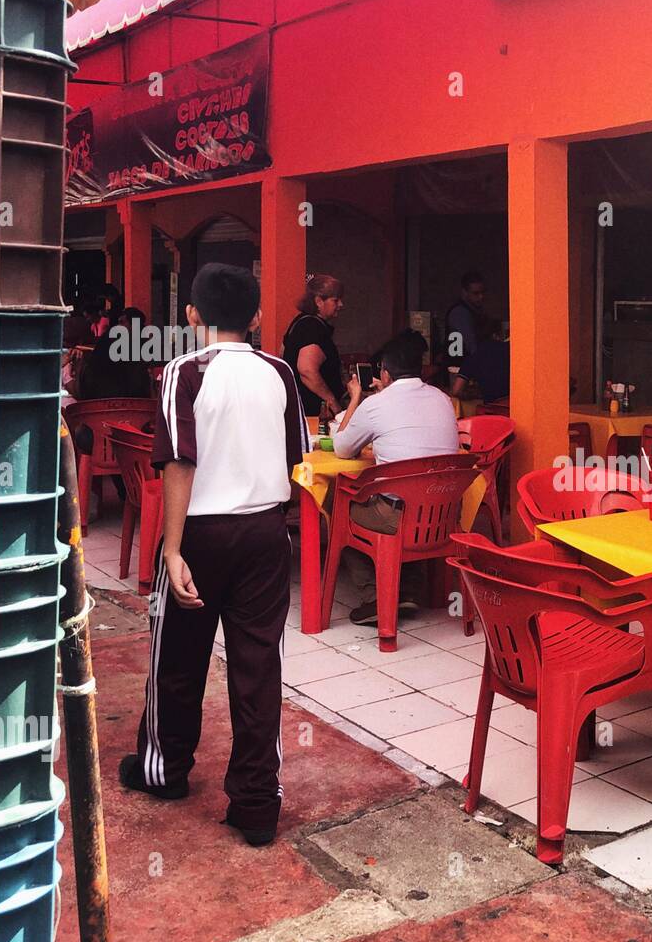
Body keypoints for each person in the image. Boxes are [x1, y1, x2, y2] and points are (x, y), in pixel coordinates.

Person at [119, 263, 307, 848]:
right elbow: (296, 454)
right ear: (255, 317)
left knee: (178, 656)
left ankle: (165, 770)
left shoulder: (183, 371)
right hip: (264, 533)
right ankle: (256, 805)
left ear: (192, 316)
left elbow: (178, 460)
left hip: (199, 531)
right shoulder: (279, 371)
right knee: (258, 665)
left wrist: (171, 549)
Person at [333, 329, 459, 625]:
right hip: (442, 513)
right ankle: (410, 592)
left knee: (342, 508)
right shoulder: (442, 398)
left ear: (384, 373)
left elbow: (342, 448)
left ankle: (374, 597)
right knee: (409, 498)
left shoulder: (376, 404)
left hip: (398, 516)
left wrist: (355, 399)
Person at [282, 273, 346, 418]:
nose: (341, 305)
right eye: (335, 300)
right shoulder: (312, 328)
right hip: (314, 413)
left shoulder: (298, 322)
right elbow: (306, 370)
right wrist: (333, 403)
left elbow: (283, 353)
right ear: (318, 301)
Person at [449, 315, 509, 404]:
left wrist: (475, 394)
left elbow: (456, 391)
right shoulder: (511, 351)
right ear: (497, 335)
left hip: (491, 410)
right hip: (512, 408)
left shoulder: (475, 356)